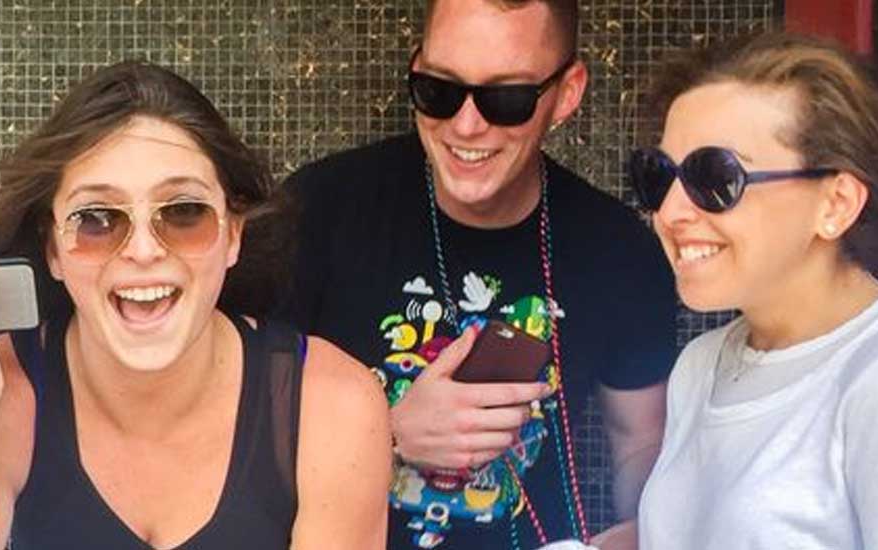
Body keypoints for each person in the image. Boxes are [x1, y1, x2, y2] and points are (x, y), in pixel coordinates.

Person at [0, 60, 393, 549]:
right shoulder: (2, 395)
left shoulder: (329, 404)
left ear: (233, 235)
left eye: (184, 213)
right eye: (96, 220)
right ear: (52, 248)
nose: (143, 250)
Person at [282, 0, 676, 548]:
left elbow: (639, 443)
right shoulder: (318, 211)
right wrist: (388, 431)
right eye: (439, 91)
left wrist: (647, 531)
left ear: (567, 93)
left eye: (506, 99)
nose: (466, 126)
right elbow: (228, 424)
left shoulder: (618, 248)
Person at [632, 30, 878, 549]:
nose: (671, 212)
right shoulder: (702, 367)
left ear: (836, 204)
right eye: (659, 176)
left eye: (716, 178)